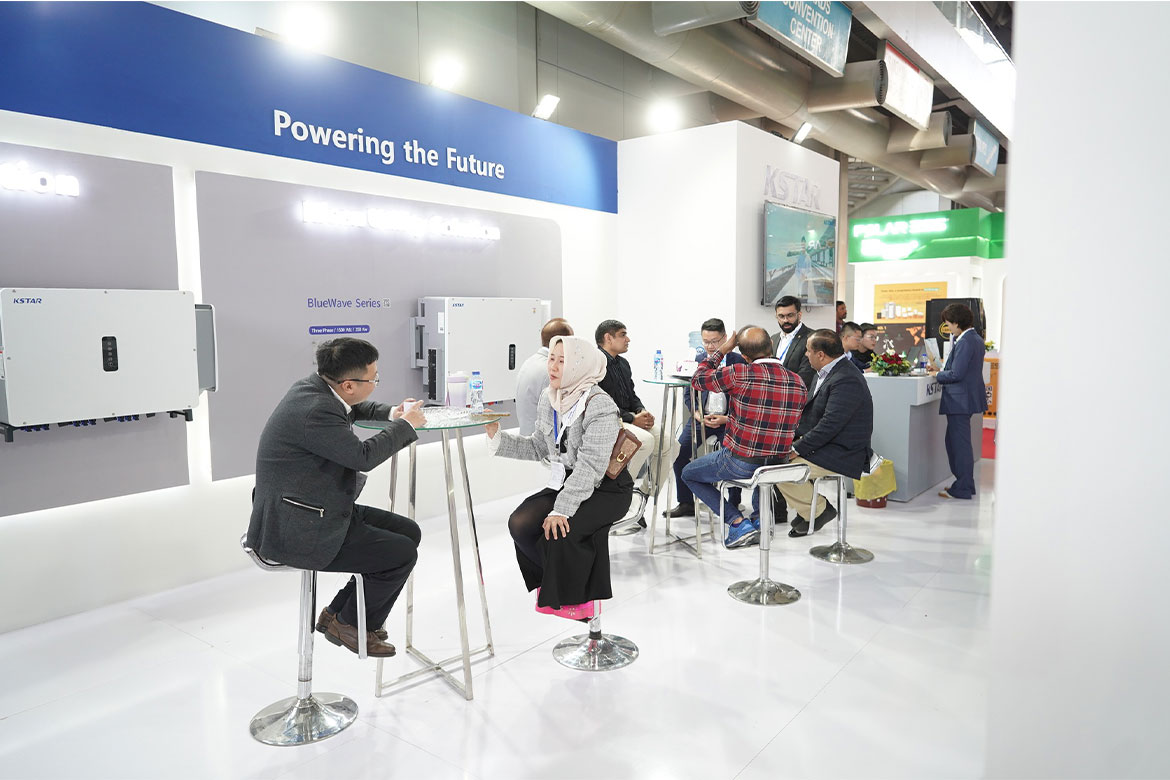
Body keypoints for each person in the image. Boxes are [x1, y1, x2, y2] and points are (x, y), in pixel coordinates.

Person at [247, 337, 427, 658]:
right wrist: (404, 426)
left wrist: (393, 413)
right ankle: (352, 625)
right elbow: (362, 456)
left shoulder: (314, 389)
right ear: (348, 385)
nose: (375, 382)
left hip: (315, 508)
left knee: (409, 532)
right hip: (298, 528)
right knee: (400, 554)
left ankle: (336, 615)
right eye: (373, 379)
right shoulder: (316, 410)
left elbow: (352, 409)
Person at [484, 335, 633, 614]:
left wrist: (561, 509)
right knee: (521, 523)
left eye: (562, 361)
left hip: (607, 488)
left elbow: (591, 467)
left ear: (579, 366)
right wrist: (498, 438)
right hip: (568, 480)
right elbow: (539, 446)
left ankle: (578, 599)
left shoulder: (600, 405)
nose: (552, 366)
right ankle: (560, 586)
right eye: (551, 358)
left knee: (561, 531)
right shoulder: (550, 397)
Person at [681, 326, 807, 548]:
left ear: (745, 356)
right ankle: (760, 520)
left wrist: (722, 350)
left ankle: (737, 523)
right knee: (763, 465)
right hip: (779, 464)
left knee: (689, 473)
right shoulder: (798, 381)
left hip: (742, 462)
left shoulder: (739, 373)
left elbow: (698, 379)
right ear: (771, 345)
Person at [777, 329, 874, 537]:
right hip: (826, 443)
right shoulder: (826, 371)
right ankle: (808, 510)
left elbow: (830, 425)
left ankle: (819, 510)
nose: (805, 355)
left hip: (844, 451)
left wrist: (796, 448)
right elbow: (814, 416)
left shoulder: (846, 379)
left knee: (780, 469)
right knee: (775, 458)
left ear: (820, 354)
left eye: (808, 351)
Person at [664, 318, 745, 518]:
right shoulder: (698, 361)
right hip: (702, 418)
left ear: (725, 339)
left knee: (732, 455)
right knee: (679, 451)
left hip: (729, 420)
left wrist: (728, 418)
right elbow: (688, 393)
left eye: (714, 341)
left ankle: (733, 502)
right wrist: (698, 414)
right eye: (706, 341)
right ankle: (685, 502)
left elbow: (745, 397)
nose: (710, 347)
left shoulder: (739, 361)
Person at [595, 319, 675, 514]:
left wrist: (641, 412)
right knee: (644, 441)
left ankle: (642, 496)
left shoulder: (623, 363)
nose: (628, 339)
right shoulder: (595, 364)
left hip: (628, 417)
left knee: (669, 443)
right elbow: (600, 403)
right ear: (608, 338)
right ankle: (619, 497)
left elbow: (631, 395)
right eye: (623, 335)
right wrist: (632, 419)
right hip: (607, 419)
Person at [926, 303, 987, 499]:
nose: (948, 328)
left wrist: (938, 375)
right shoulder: (974, 339)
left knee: (959, 445)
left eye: (949, 324)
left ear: (957, 323)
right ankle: (965, 484)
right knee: (957, 443)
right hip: (964, 399)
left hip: (960, 400)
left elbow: (957, 374)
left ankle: (963, 487)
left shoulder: (966, 341)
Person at [516, 317, 573, 436]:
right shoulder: (551, 371)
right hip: (542, 440)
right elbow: (560, 414)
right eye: (571, 340)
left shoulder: (530, 361)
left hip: (528, 434)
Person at [770, 296, 817, 391]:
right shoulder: (773, 338)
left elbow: (806, 375)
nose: (785, 320)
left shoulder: (811, 338)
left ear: (799, 315)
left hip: (797, 394)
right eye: (781, 316)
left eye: (790, 315)